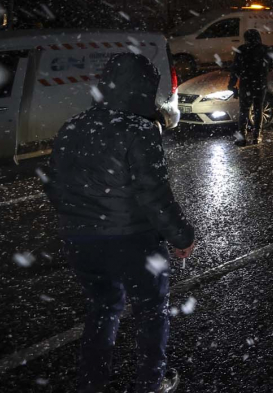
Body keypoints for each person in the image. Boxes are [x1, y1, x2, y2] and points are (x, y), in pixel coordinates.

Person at [42, 53, 195, 393]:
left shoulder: (73, 126)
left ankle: (91, 382)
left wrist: (80, 220)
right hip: (133, 242)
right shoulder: (140, 130)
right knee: (151, 312)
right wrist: (182, 236)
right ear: (143, 89)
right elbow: (155, 197)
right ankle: (150, 382)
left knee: (102, 308)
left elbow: (53, 187)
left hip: (81, 241)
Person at [228, 28, 270, 146]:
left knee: (244, 110)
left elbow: (235, 69)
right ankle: (256, 136)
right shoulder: (264, 50)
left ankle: (241, 137)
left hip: (246, 84)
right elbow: (269, 66)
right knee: (258, 109)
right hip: (260, 84)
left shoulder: (241, 50)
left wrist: (232, 85)